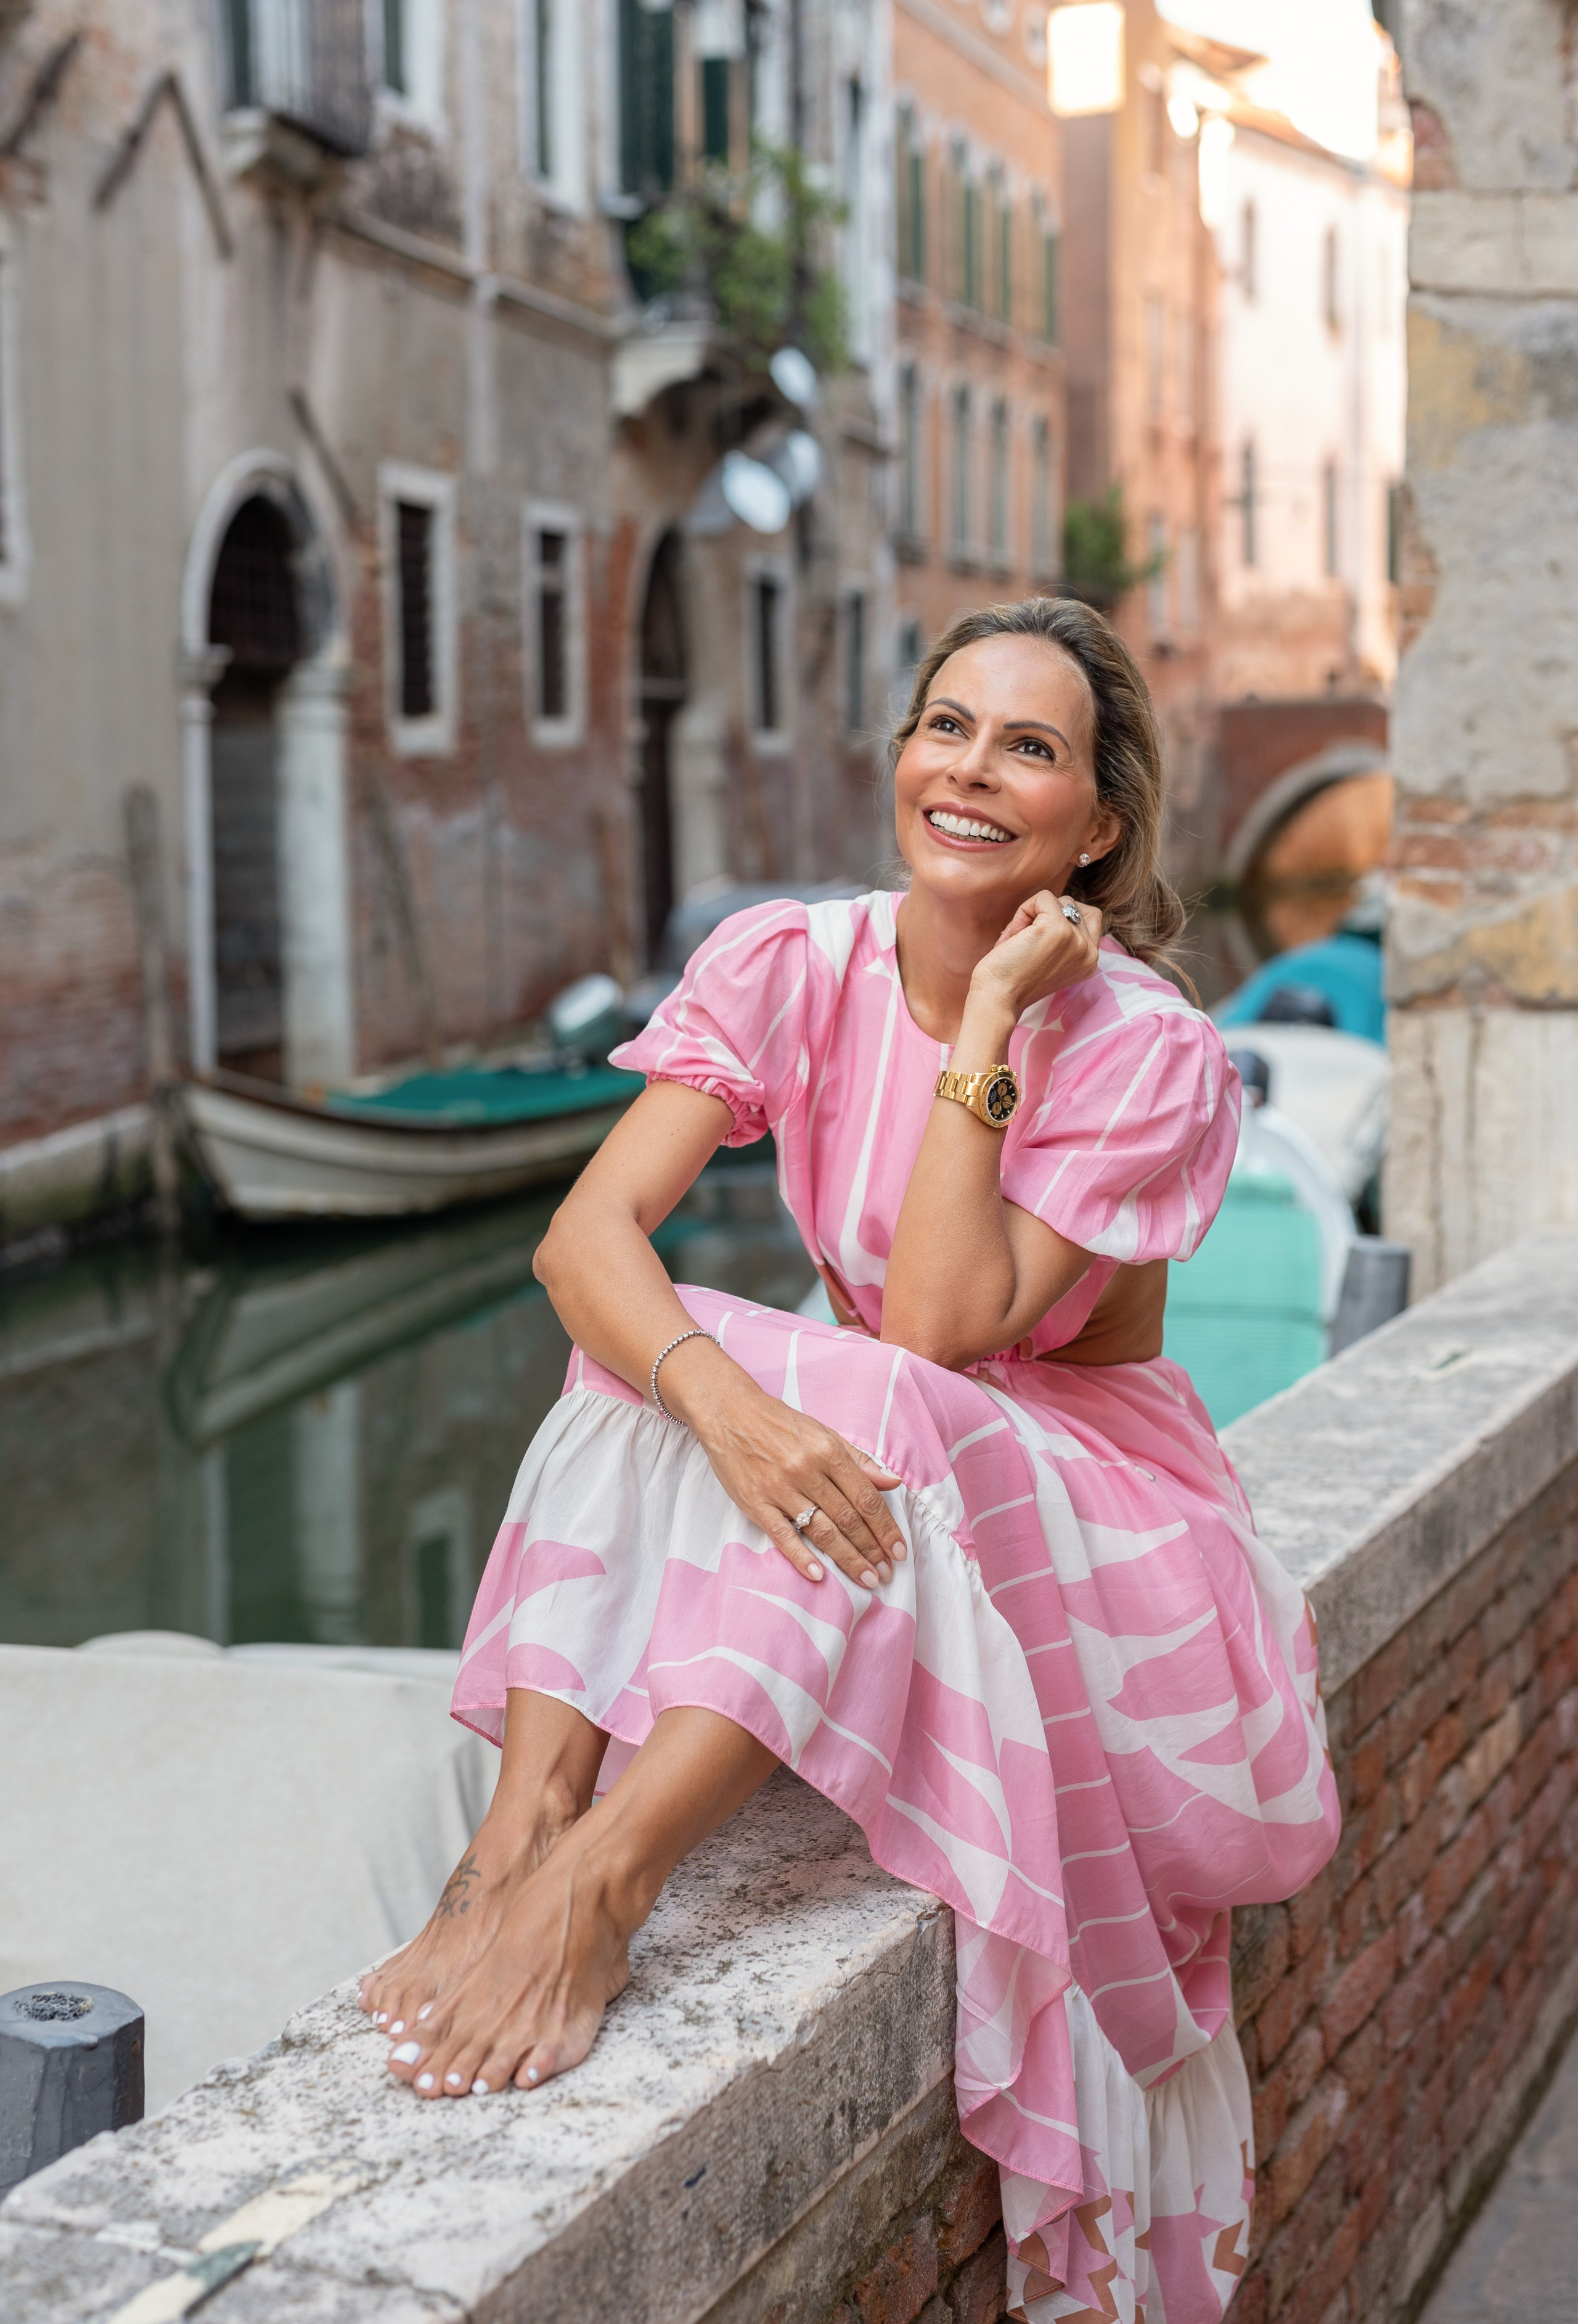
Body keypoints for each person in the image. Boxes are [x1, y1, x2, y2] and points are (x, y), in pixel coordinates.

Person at [360, 599, 1340, 2324]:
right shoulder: (788, 963)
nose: (969, 770)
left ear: (1100, 824)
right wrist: (718, 1399)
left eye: (1030, 746)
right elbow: (586, 1236)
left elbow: (948, 1332)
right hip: (916, 1459)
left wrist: (986, 1038)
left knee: (865, 1389)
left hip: (1109, 1521)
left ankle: (612, 1878)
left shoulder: (1149, 1048)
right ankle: (518, 1835)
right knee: (643, 1344)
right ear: (900, 753)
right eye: (945, 726)